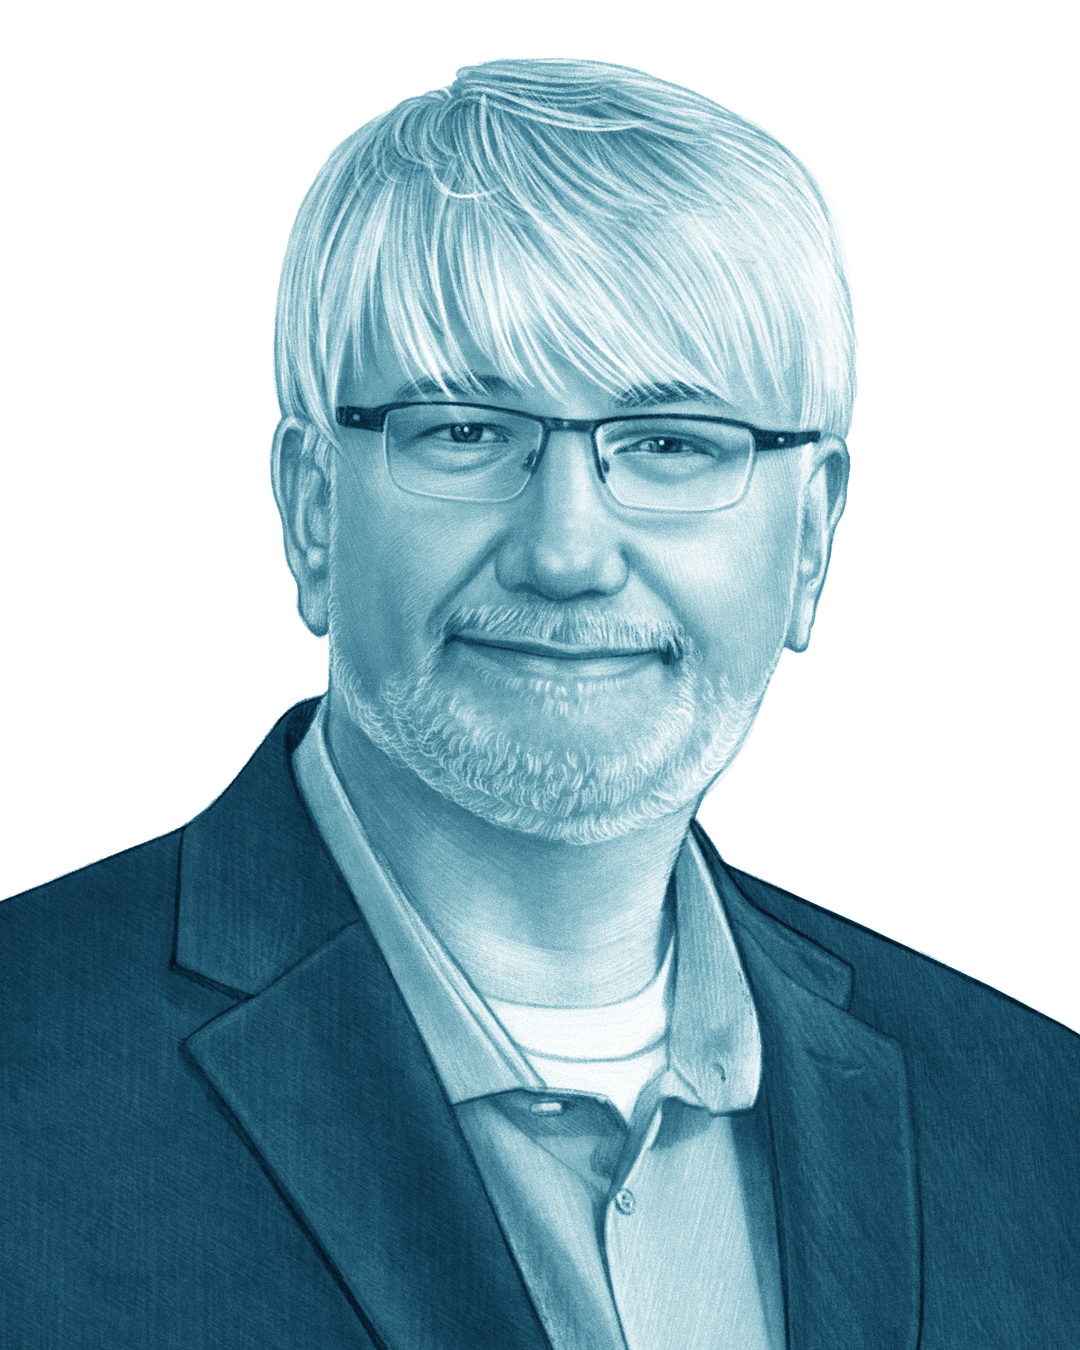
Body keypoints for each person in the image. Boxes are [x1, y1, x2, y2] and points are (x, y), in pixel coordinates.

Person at [1, 58, 1076, 1350]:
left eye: (675, 442)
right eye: (463, 430)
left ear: (811, 541)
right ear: (311, 509)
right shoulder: (26, 1066)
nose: (566, 547)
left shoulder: (1037, 1121)